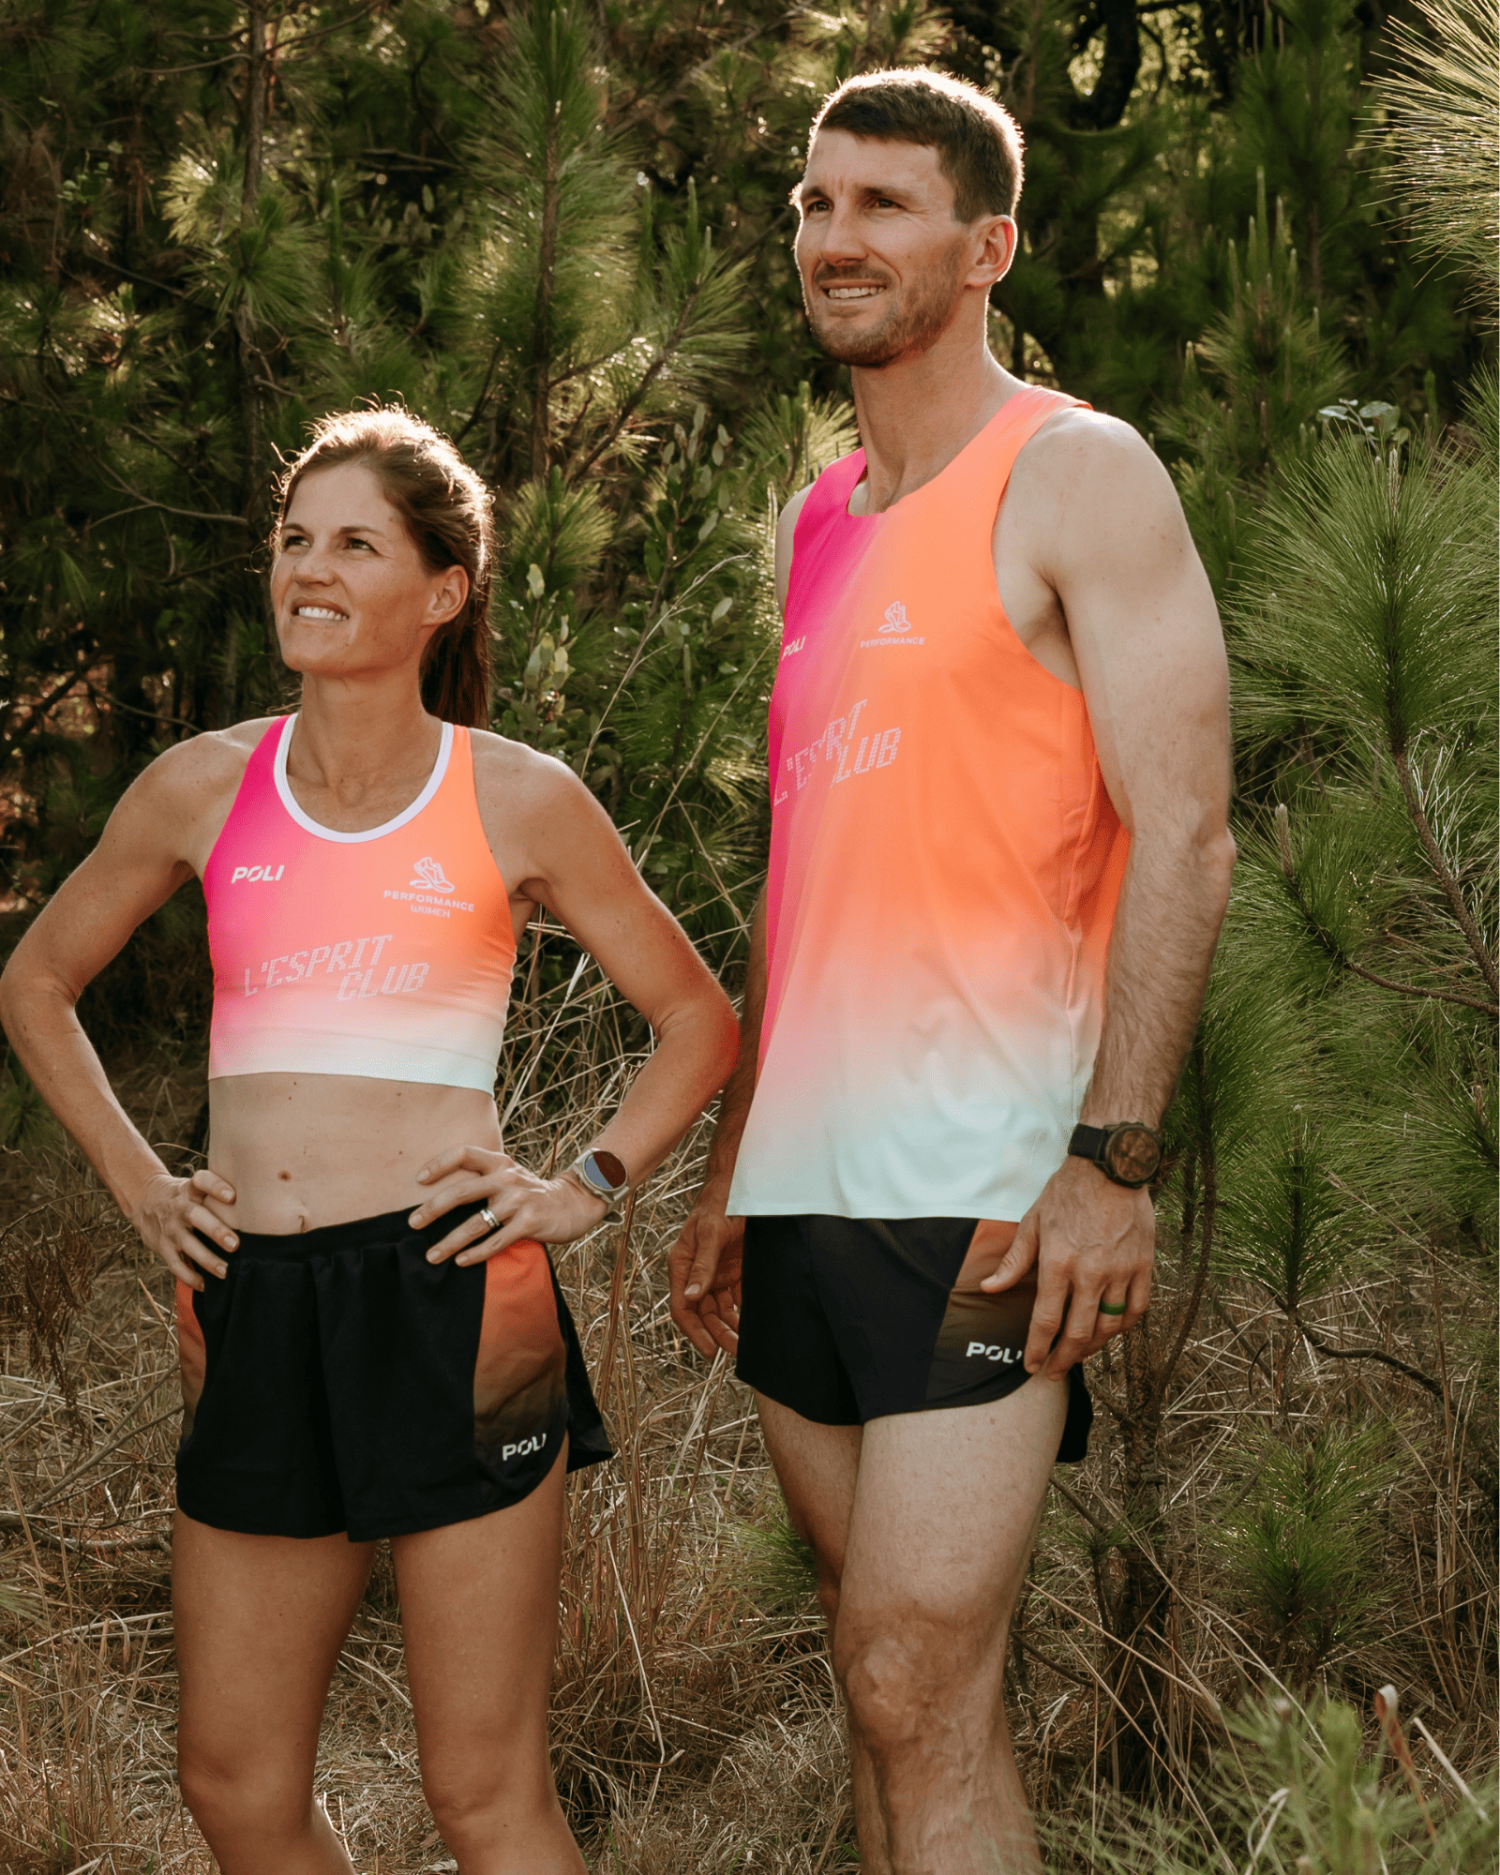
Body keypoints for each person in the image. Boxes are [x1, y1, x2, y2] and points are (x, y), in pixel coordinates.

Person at [0, 407, 739, 1875]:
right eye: (293, 541)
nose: (308, 569)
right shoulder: (204, 784)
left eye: (354, 543)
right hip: (252, 1298)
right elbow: (35, 981)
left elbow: (697, 1020)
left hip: (454, 1296)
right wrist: (141, 1184)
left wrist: (585, 1185)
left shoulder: (518, 795)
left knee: (484, 1791)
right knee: (234, 1783)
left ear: (444, 588)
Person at [668, 68, 1236, 1875]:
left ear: (988, 247)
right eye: (816, 202)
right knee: (893, 1691)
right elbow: (808, 875)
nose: (835, 237)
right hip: (805, 1186)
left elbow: (1189, 833)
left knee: (908, 1667)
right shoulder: (821, 518)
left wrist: (1113, 1160)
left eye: (884, 204)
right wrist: (734, 1163)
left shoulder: (1077, 473)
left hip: (989, 1189)